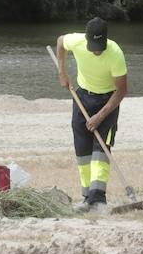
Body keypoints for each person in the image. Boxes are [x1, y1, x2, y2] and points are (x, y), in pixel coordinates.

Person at [55, 17, 128, 212]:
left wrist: (100, 116)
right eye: (93, 46)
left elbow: (121, 91)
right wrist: (62, 72)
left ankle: (99, 199)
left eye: (100, 46)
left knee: (101, 148)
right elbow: (60, 41)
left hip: (108, 101)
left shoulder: (115, 54)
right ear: (86, 39)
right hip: (82, 97)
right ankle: (87, 197)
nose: (97, 50)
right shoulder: (77, 41)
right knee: (83, 149)